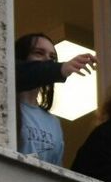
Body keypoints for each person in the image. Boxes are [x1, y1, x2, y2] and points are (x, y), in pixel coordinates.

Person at [15, 33, 97, 165]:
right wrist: (61, 68)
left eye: (52, 57)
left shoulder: (53, 122)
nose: (47, 60)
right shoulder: (5, 107)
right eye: (39, 53)